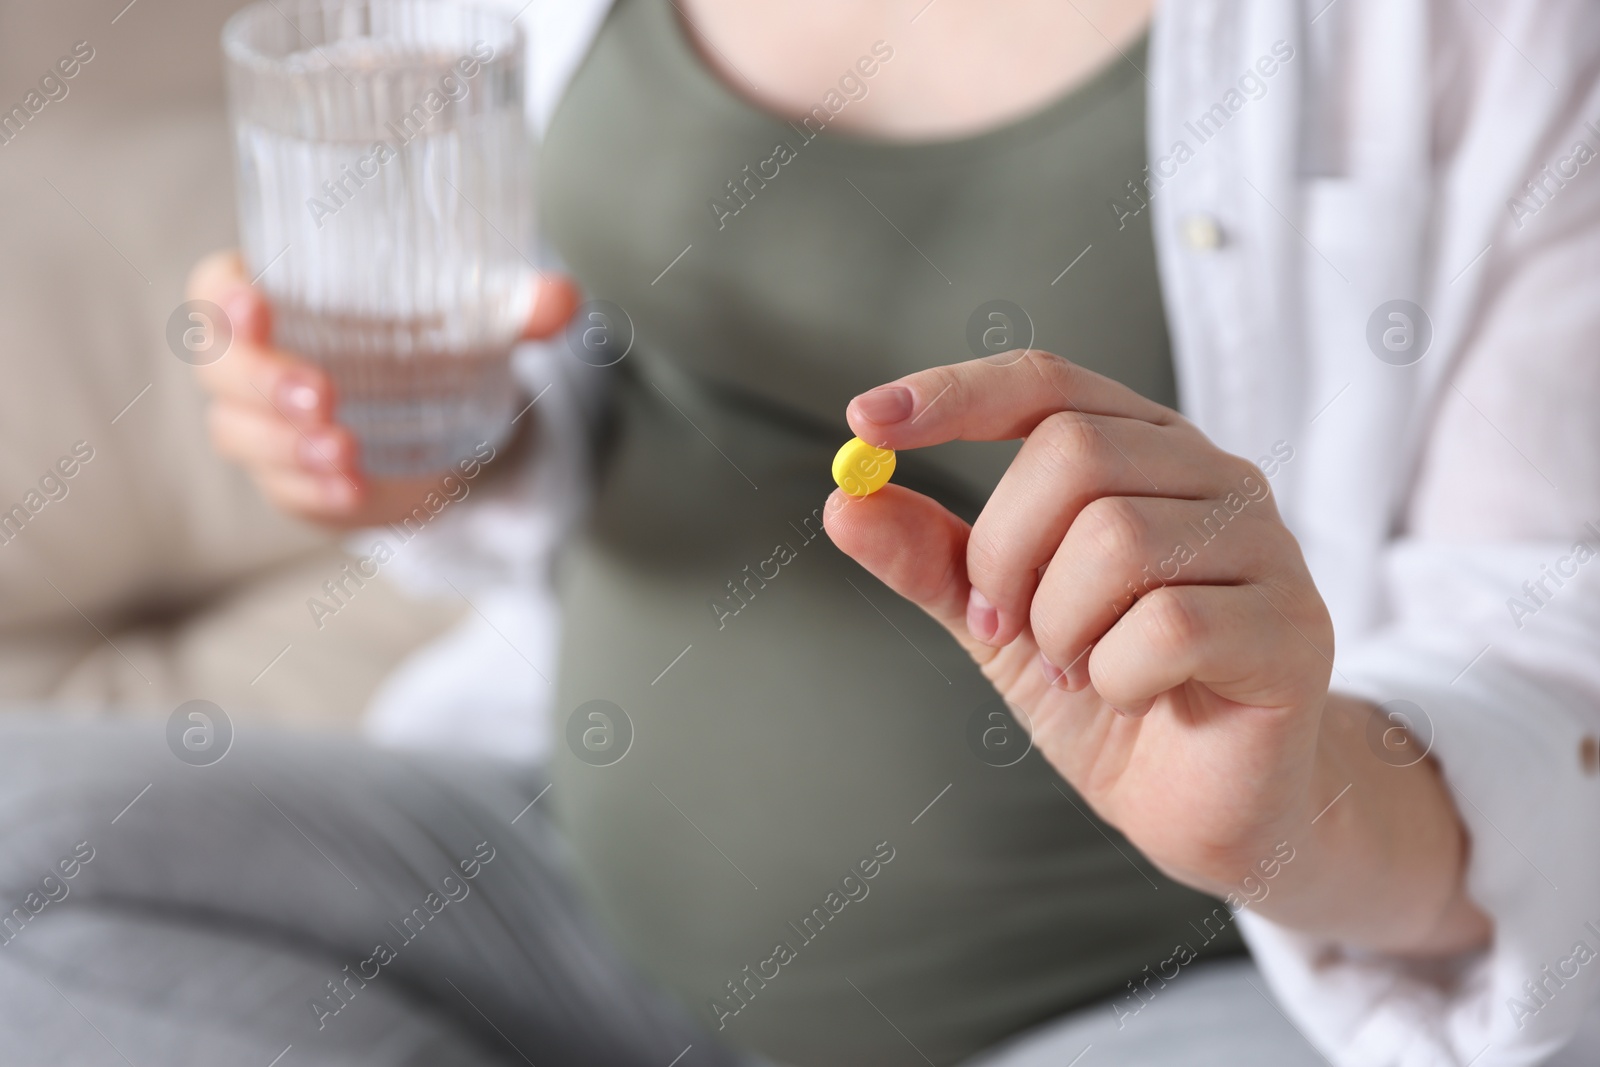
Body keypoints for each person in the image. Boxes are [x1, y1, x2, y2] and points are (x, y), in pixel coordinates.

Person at [7, 1, 1598, 1065]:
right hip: (574, 907)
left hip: (1148, 1002)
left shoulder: (1493, 40)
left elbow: (1546, 676)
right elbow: (588, 351)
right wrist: (436, 446)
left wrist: (1295, 801)